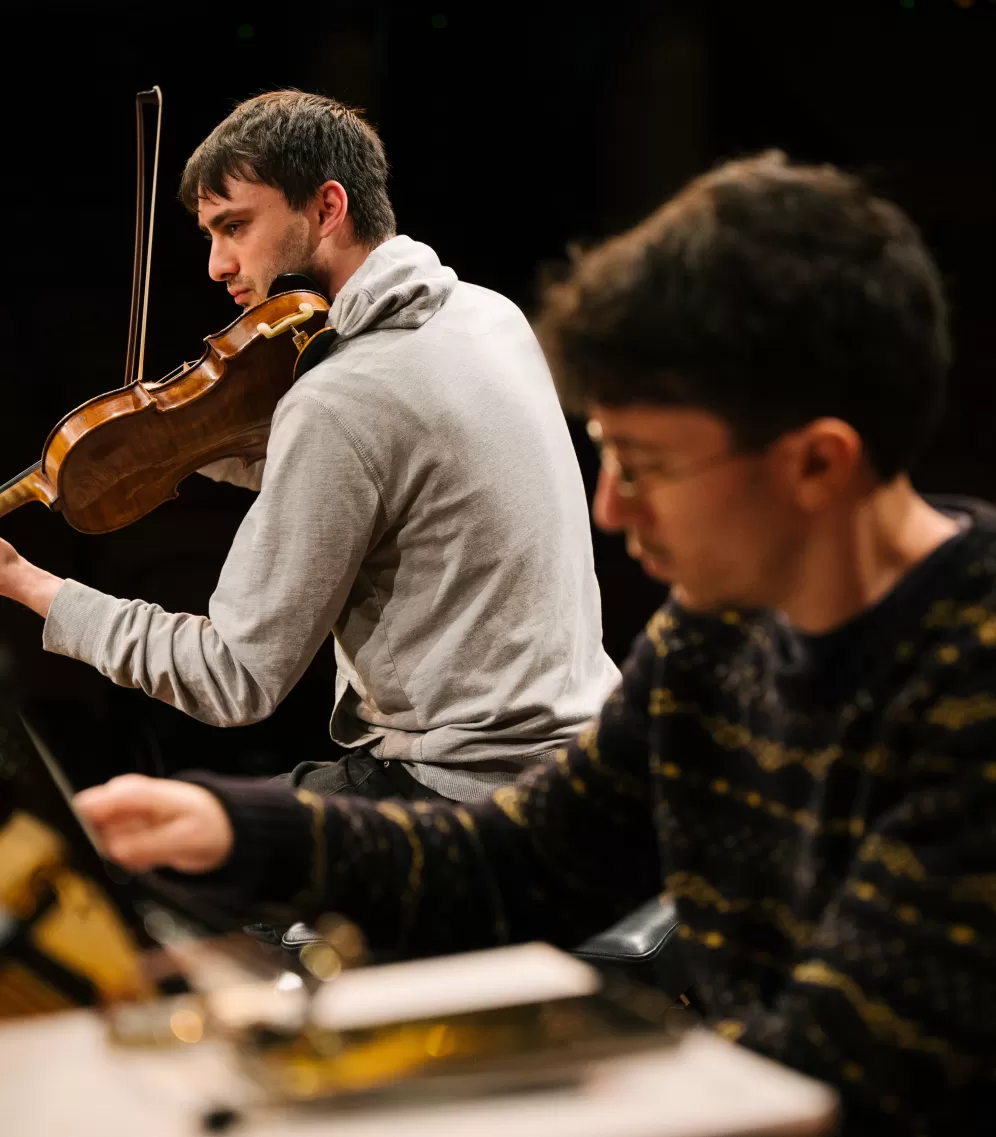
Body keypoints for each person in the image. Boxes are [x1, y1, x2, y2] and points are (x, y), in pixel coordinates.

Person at [76, 151, 995, 1135]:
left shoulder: (967, 686)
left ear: (816, 464)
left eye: (645, 467)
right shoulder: (714, 639)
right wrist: (239, 828)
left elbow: (847, 1072)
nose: (609, 508)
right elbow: (527, 861)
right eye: (604, 455)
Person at [0, 90, 619, 805]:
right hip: (582, 764)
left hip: (457, 794)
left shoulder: (340, 400)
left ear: (327, 207)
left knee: (142, 864)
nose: (216, 265)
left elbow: (232, 675)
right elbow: (384, 472)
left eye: (234, 227)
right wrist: (179, 443)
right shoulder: (490, 315)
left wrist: (28, 585)